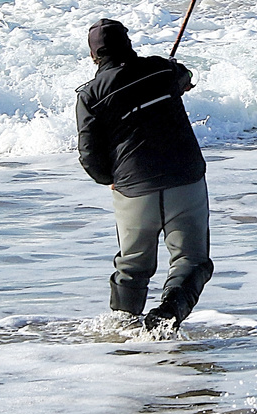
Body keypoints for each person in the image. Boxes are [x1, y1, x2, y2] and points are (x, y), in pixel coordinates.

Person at [75, 18, 212, 333]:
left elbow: (89, 155)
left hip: (133, 189)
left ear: (94, 55)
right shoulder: (161, 70)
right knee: (192, 261)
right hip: (185, 177)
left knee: (132, 268)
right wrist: (177, 72)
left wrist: (108, 178)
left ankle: (123, 333)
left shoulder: (89, 96)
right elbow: (185, 77)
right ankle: (166, 317)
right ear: (128, 43)